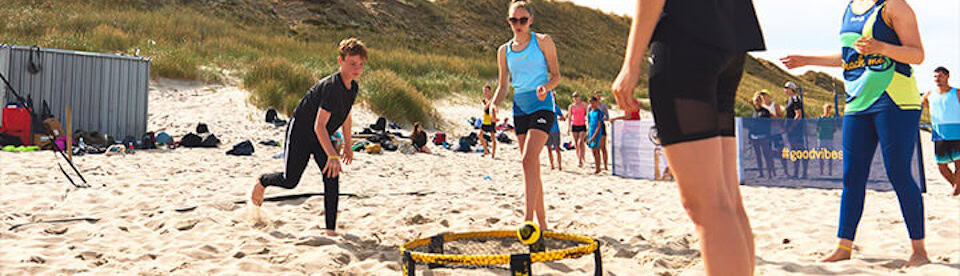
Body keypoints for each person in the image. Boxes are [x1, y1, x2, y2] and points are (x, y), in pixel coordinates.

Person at [611, 0, 764, 274]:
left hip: (685, 41)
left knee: (707, 206)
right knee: (726, 199)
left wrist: (630, 64)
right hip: (730, 36)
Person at [781, 0, 929, 266]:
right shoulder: (850, 8)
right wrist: (806, 60)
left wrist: (881, 47)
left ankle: (919, 251)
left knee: (898, 173)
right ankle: (843, 247)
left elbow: (917, 54)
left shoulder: (894, 6)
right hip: (858, 101)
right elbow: (848, 56)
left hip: (895, 99)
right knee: (852, 176)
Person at [250, 38, 366, 237]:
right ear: (341, 61)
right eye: (352, 63)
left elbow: (346, 115)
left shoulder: (352, 88)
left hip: (322, 136)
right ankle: (262, 181)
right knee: (290, 181)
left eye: (360, 64)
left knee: (332, 177)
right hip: (301, 133)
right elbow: (318, 125)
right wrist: (332, 154)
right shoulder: (331, 87)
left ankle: (330, 230)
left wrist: (348, 145)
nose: (356, 68)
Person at [488, 0, 561, 231]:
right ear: (508, 21)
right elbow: (503, 85)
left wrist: (546, 87)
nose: (518, 24)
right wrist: (493, 104)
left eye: (522, 20)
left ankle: (528, 221)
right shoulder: (504, 50)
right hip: (519, 108)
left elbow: (557, 76)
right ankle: (544, 224)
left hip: (542, 105)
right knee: (531, 166)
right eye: (513, 20)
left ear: (530, 20)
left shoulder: (543, 41)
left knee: (528, 159)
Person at [921, 66, 960, 195]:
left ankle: (956, 191)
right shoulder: (929, 94)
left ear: (947, 76)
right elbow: (918, 107)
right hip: (939, 134)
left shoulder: (957, 92)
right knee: (941, 165)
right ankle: (956, 186)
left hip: (957, 132)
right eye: (935, 76)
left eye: (940, 76)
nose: (937, 79)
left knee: (958, 164)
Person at [783, 81, 808, 179]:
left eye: (786, 87)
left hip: (796, 130)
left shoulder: (795, 99)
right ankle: (796, 172)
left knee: (800, 150)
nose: (784, 89)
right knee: (794, 151)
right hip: (791, 130)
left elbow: (798, 115)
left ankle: (804, 172)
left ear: (791, 89)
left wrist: (791, 127)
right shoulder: (788, 100)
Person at [750, 91, 777, 178]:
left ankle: (770, 173)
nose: (756, 102)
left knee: (767, 155)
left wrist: (768, 136)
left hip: (764, 137)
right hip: (755, 137)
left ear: (761, 101)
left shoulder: (765, 112)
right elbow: (752, 124)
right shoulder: (753, 112)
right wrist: (749, 136)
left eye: (758, 100)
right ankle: (761, 173)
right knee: (758, 156)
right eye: (755, 100)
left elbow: (768, 125)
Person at [568, 92, 588, 167]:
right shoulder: (571, 106)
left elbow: (587, 115)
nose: (575, 98)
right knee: (576, 143)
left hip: (582, 125)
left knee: (581, 142)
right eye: (574, 96)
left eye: (577, 96)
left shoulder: (584, 105)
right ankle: (579, 157)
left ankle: (581, 159)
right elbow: (570, 117)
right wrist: (568, 128)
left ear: (580, 97)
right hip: (574, 125)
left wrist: (588, 125)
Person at [817, 104, 838, 176]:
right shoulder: (820, 118)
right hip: (822, 138)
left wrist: (830, 130)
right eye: (826, 108)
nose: (827, 110)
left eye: (829, 109)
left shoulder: (832, 119)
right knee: (821, 155)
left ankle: (830, 171)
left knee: (830, 155)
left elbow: (835, 129)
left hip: (829, 138)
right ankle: (821, 171)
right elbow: (817, 128)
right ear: (823, 109)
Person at [587, 97, 604, 174]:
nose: (592, 104)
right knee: (593, 150)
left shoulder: (599, 112)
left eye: (593, 102)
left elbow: (599, 125)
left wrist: (594, 135)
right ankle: (597, 167)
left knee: (597, 150)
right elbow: (589, 123)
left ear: (597, 103)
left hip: (597, 133)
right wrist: (588, 134)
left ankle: (598, 168)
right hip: (591, 132)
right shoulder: (590, 113)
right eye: (590, 102)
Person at [480, 85, 498, 158]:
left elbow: (495, 109)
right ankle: (486, 150)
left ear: (490, 91)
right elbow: (485, 108)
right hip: (485, 121)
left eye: (487, 90)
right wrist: (490, 102)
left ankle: (493, 155)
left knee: (493, 138)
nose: (485, 92)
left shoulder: (493, 100)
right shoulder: (484, 100)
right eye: (484, 91)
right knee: (480, 136)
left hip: (491, 121)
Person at [594, 92, 610, 171]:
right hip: (593, 127)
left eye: (599, 96)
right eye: (597, 96)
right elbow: (588, 117)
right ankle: (598, 167)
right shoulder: (590, 106)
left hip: (602, 126)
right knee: (595, 148)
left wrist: (601, 119)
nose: (598, 97)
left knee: (603, 147)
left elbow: (607, 117)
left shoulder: (603, 106)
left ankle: (605, 165)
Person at [546, 105, 565, 170]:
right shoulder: (544, 106)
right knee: (549, 148)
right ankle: (552, 165)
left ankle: (559, 165)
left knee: (557, 148)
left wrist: (558, 119)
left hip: (555, 130)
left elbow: (563, 117)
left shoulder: (556, 107)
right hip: (547, 130)